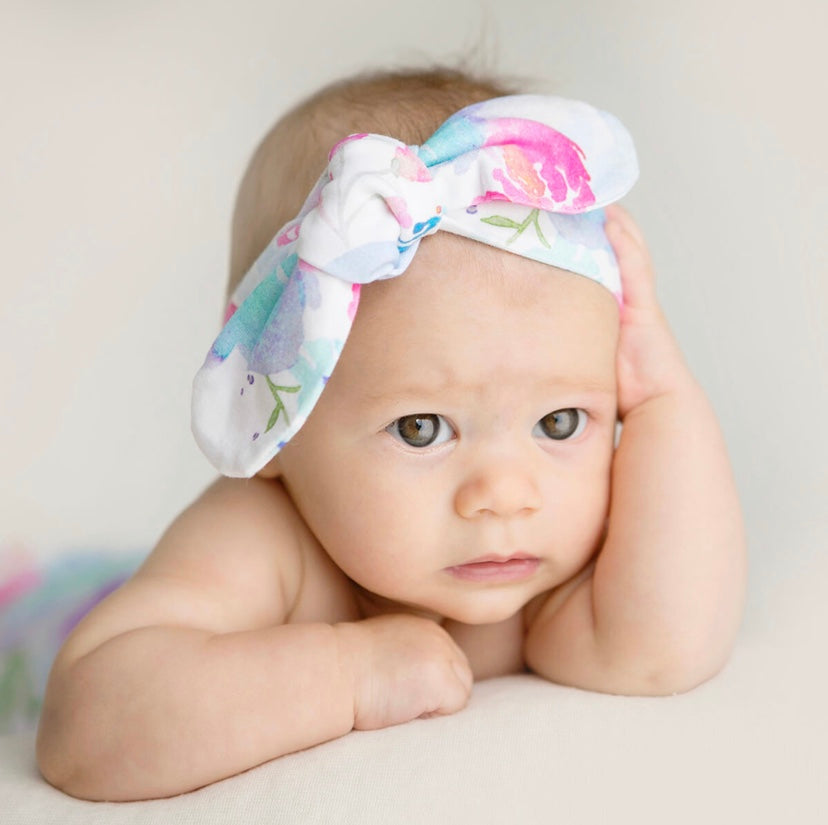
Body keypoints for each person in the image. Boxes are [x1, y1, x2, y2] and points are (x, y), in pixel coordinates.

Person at [35, 67, 747, 802]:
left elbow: (664, 649)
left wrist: (663, 396)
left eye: (558, 422)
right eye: (421, 427)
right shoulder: (268, 540)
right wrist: (348, 673)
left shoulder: (540, 573)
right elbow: (86, 727)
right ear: (281, 417)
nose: (505, 493)